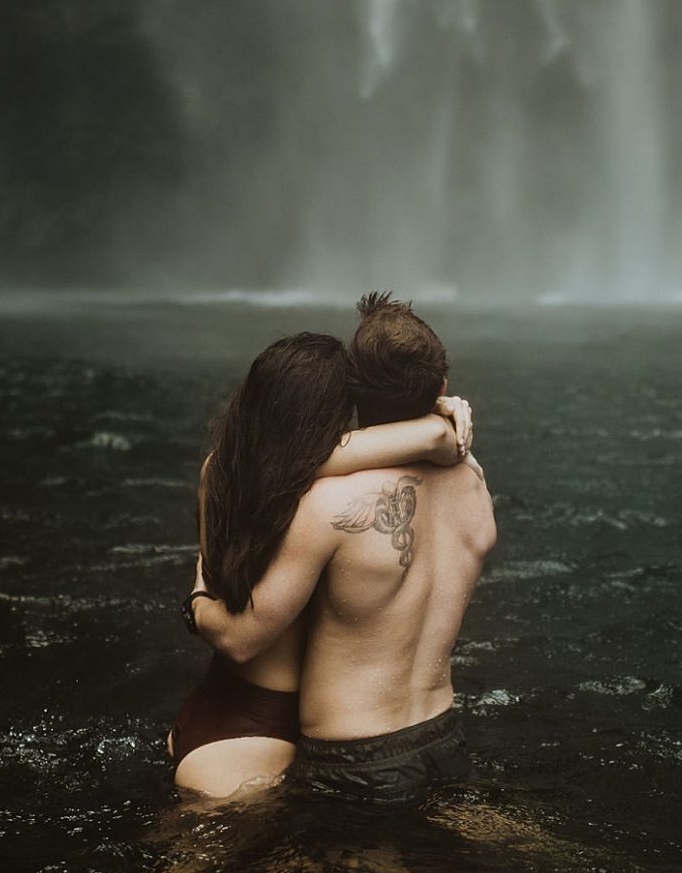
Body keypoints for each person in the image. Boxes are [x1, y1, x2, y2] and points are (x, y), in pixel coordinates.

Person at [191, 293, 495, 808]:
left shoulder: (326, 504)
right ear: (441, 387)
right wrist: (438, 424)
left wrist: (196, 594)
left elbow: (243, 639)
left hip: (359, 756)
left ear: (351, 397)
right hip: (442, 735)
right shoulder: (474, 483)